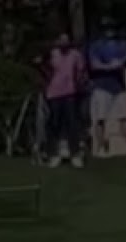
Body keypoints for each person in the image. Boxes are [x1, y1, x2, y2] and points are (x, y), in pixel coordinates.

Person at [88, 18, 126, 157]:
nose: (109, 31)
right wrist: (111, 66)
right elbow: (94, 65)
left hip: (119, 87)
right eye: (106, 28)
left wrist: (121, 63)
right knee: (100, 119)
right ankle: (101, 148)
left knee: (125, 117)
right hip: (101, 86)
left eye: (112, 27)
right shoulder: (96, 45)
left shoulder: (123, 44)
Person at [43, 33, 87, 168]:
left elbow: (80, 72)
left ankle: (75, 154)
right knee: (54, 123)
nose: (63, 42)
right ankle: (53, 154)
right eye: (61, 39)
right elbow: (45, 69)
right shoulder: (52, 54)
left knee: (72, 123)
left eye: (66, 39)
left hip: (70, 93)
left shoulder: (75, 55)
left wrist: (79, 85)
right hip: (54, 93)